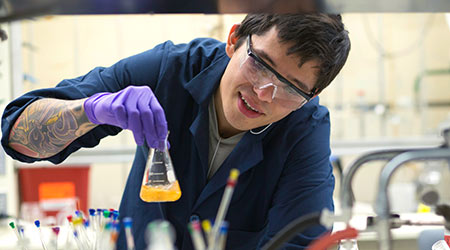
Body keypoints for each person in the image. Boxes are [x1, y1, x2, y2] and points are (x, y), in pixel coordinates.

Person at [1, 13, 350, 249]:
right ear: (234, 40)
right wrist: (91, 109)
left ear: (311, 95)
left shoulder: (304, 128)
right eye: (260, 64)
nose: (263, 93)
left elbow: (304, 240)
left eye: (290, 88)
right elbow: (17, 134)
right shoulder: (170, 70)